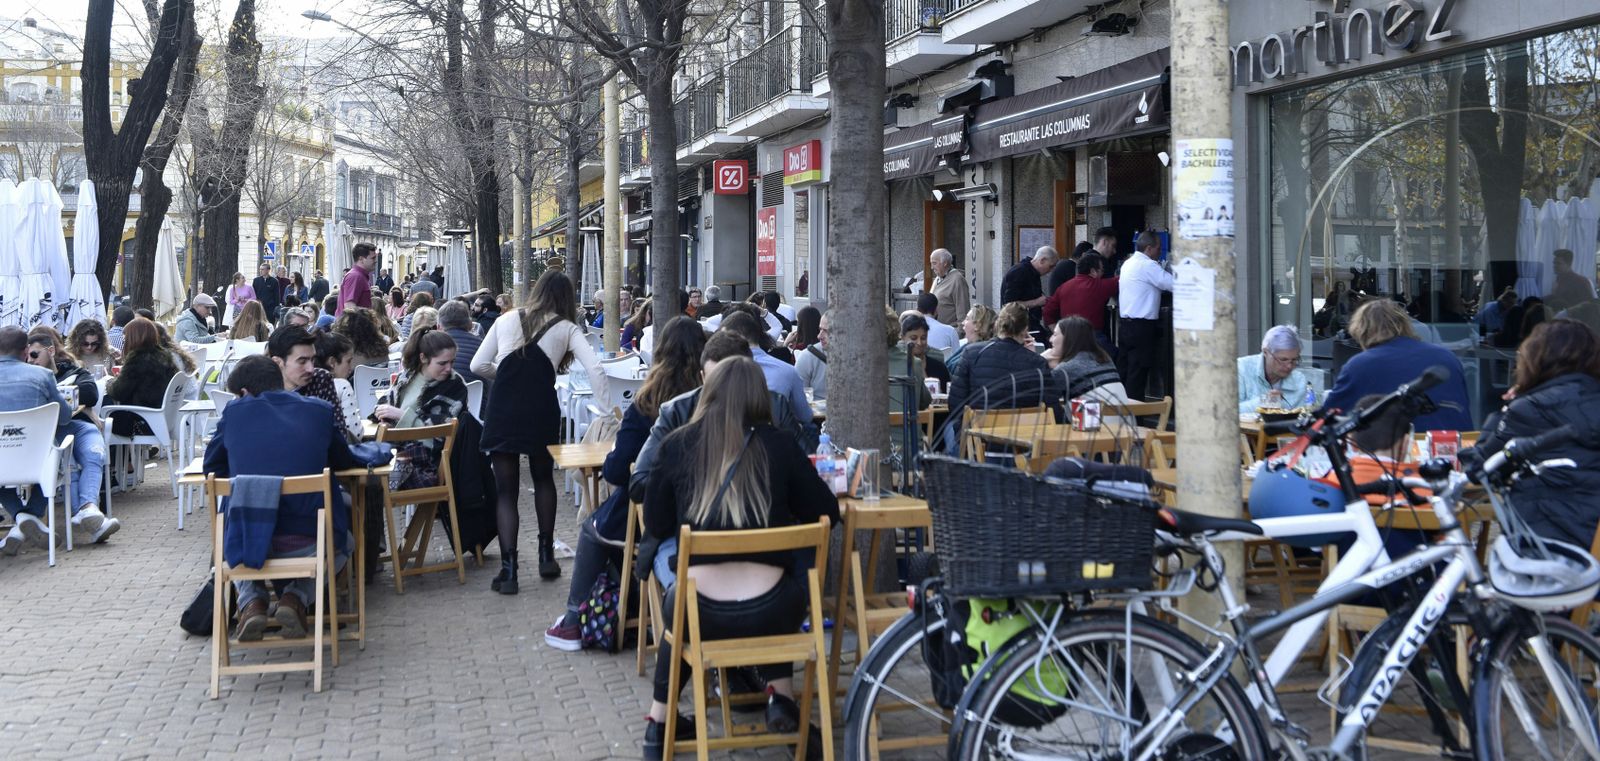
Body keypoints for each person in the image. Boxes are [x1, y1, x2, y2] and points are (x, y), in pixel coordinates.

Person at [637, 356, 839, 758]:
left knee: (679, 613)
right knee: (792, 579)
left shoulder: (678, 445)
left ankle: (659, 724)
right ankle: (780, 698)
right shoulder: (780, 446)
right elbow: (827, 511)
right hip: (775, 608)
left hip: (701, 612)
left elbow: (656, 521)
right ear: (758, 397)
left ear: (707, 391)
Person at [546, 317, 708, 651]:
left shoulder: (648, 403)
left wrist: (614, 460)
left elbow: (620, 472)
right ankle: (629, 608)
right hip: (705, 505)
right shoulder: (710, 402)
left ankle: (575, 620)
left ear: (660, 353)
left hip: (654, 511)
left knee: (594, 527)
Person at [204, 354, 362, 640]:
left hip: (245, 541)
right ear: (278, 381)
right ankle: (295, 598)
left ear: (245, 393)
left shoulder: (234, 413)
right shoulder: (320, 411)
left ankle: (252, 601)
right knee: (346, 541)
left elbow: (211, 469)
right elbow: (343, 460)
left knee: (231, 506)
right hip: (309, 542)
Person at [472, 271, 607, 588]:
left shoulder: (505, 320)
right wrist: (607, 411)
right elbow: (596, 368)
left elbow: (478, 365)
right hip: (540, 409)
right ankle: (546, 557)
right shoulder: (567, 328)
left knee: (506, 491)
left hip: (503, 407)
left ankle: (509, 572)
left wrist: (505, 376)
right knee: (544, 478)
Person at [1461, 319, 1600, 547]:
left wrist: (1503, 411)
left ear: (1535, 358)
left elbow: (1479, 470)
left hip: (1552, 543)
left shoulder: (1531, 409)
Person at [0, 327, 119, 553]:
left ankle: (21, 516)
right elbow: (64, 416)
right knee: (57, 465)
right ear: (25, 351)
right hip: (38, 459)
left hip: (2, 461)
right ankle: (30, 515)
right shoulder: (41, 376)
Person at [1323, 299, 1474, 431]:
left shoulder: (1360, 364)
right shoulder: (1447, 357)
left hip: (1399, 451)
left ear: (1362, 331)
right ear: (1405, 325)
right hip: (1456, 447)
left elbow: (1327, 418)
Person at [373, 328, 469, 483]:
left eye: (452, 362)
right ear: (423, 358)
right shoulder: (407, 376)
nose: (449, 368)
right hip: (398, 452)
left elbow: (439, 434)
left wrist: (400, 415)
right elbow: (385, 403)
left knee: (371, 477)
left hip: (428, 461)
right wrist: (382, 414)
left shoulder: (455, 386)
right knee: (360, 471)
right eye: (442, 363)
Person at [949, 303, 1062, 426]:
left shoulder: (972, 353)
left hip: (979, 438)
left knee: (947, 429)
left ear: (998, 324)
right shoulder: (1037, 362)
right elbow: (1053, 410)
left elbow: (955, 404)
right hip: (1022, 439)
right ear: (1025, 330)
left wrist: (963, 437)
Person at [720, 311, 812, 423]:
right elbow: (805, 416)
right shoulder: (788, 371)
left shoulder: (722, 371)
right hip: (778, 435)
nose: (722, 343)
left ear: (736, 338)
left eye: (724, 339)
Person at [1116, 230, 1174, 400]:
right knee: (1138, 373)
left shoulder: (1128, 263)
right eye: (1158, 248)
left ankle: (1123, 411)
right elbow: (1171, 283)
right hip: (1142, 326)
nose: (1159, 252)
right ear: (1149, 248)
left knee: (1126, 371)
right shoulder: (1148, 265)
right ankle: (1136, 418)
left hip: (1126, 324)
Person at [104, 318, 179, 437]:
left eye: (125, 339)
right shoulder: (165, 355)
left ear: (133, 338)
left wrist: (109, 381)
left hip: (142, 421)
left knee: (104, 410)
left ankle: (115, 455)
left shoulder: (137, 359)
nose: (124, 342)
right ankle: (126, 455)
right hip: (163, 418)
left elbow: (118, 392)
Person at [268, 325, 344, 434]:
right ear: (278, 363)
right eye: (302, 361)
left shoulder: (320, 380)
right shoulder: (262, 388)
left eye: (312, 359)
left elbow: (338, 432)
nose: (311, 368)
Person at [1047, 316, 1130, 404]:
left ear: (1068, 338)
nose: (1050, 339)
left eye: (1055, 334)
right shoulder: (1104, 358)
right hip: (1123, 416)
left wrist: (1040, 360)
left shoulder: (1066, 368)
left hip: (1094, 417)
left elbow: (1039, 396)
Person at [1043, 251, 1119, 342]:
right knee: (1114, 354)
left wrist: (1059, 334)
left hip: (1068, 337)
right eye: (1102, 271)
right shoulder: (1098, 285)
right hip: (1091, 338)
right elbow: (1122, 279)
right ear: (1093, 271)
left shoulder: (1063, 287)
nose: (1102, 274)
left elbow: (1047, 312)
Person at [1237, 325, 1313, 414]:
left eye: (1294, 360)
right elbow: (1226, 412)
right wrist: (1264, 402)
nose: (1289, 366)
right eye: (1283, 360)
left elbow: (1301, 418)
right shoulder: (1241, 368)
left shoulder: (1298, 380)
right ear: (1265, 352)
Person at [313, 331, 363, 440]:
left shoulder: (307, 384)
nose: (351, 368)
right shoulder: (342, 385)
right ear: (332, 362)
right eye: (348, 361)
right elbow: (355, 433)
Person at [1000, 245, 1057, 339]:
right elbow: (1009, 305)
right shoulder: (1019, 272)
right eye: (1050, 266)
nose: (1050, 271)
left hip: (1030, 324)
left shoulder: (1033, 273)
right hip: (1017, 327)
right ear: (1042, 260)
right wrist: (1036, 302)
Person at [438, 301, 486, 388]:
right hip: (478, 399)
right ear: (470, 324)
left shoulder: (433, 347)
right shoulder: (483, 346)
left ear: (439, 326)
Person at [900, 313, 950, 388]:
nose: (919, 343)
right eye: (914, 338)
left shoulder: (939, 367)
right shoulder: (898, 366)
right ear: (903, 338)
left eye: (923, 338)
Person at [948, 304, 997, 376]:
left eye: (967, 319)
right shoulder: (966, 346)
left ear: (977, 325)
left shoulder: (976, 353)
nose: (963, 323)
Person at [927, 248, 970, 326]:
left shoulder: (957, 280)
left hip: (949, 333)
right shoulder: (938, 278)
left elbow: (963, 315)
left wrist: (957, 335)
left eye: (934, 263)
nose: (931, 267)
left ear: (945, 263)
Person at [1548, 249, 1597, 314]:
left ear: (1569, 264)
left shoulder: (1580, 281)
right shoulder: (1558, 279)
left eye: (1558, 263)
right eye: (1554, 263)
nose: (1554, 266)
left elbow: (1589, 305)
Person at [337, 243, 378, 316]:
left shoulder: (359, 276)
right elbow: (349, 307)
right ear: (361, 259)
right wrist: (371, 314)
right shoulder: (356, 276)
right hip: (353, 326)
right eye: (373, 258)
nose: (376, 261)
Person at [795, 311, 829, 400]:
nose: (819, 336)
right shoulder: (808, 356)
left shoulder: (862, 357)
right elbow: (798, 399)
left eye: (826, 331)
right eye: (820, 329)